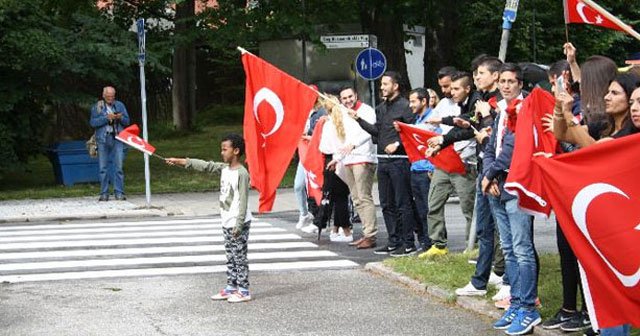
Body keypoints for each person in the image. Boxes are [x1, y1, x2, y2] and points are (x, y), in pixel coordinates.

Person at [552, 73, 639, 336]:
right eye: (633, 102)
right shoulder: (603, 125)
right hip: (608, 224)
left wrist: (569, 114)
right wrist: (560, 108)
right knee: (611, 287)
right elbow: (562, 134)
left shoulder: (630, 136)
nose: (607, 97)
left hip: (626, 226)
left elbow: (595, 153)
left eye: (615, 93)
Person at [484, 63, 541, 335]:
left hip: (516, 184)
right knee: (508, 249)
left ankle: (529, 307)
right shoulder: (500, 111)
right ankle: (516, 303)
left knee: (522, 248)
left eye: (511, 81)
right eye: (502, 81)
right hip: (496, 184)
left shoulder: (525, 108)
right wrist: (488, 174)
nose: (506, 85)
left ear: (520, 84)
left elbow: (513, 146)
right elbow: (491, 145)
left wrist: (492, 173)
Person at [165, 134, 253, 303]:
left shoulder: (242, 173)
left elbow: (243, 200)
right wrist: (179, 161)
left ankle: (244, 290)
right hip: (227, 219)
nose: (222, 153)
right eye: (221, 149)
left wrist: (239, 224)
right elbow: (205, 165)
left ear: (236, 151)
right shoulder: (224, 169)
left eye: (225, 149)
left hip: (238, 221)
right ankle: (231, 287)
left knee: (239, 256)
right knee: (230, 255)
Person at [354, 71, 418, 257]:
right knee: (386, 203)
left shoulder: (406, 107)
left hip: (400, 161)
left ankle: (408, 242)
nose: (382, 87)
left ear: (395, 86)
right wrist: (358, 120)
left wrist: (397, 143)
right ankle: (393, 241)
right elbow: (377, 132)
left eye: (385, 84)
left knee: (402, 203)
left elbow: (412, 132)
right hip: (383, 161)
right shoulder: (381, 108)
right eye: (381, 85)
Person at [422, 71, 479, 257]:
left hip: (464, 163)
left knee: (468, 207)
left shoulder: (475, 103)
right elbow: (428, 126)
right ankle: (438, 244)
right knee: (434, 202)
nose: (449, 92)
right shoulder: (444, 103)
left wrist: (443, 137)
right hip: (444, 160)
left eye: (454, 88)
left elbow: (466, 127)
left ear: (467, 88)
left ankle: (473, 246)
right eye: (447, 88)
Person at [337, 86, 378, 249]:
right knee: (356, 198)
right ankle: (365, 233)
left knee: (364, 196)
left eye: (350, 97)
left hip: (364, 158)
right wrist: (338, 157)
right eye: (344, 98)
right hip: (348, 160)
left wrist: (354, 145)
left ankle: (371, 235)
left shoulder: (366, 110)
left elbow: (370, 131)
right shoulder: (342, 112)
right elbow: (342, 136)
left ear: (356, 95)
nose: (348, 100)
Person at [89, 86, 130, 201]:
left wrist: (119, 118)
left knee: (119, 166)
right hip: (103, 139)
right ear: (103, 95)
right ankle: (104, 193)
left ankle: (119, 192)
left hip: (118, 138)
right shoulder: (97, 107)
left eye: (112, 96)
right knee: (103, 167)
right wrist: (106, 118)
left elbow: (127, 121)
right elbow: (93, 123)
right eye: (108, 96)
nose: (110, 99)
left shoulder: (120, 105)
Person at [295, 94, 326, 230]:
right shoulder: (301, 112)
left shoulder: (322, 112)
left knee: (317, 186)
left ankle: (320, 219)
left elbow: (323, 132)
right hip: (304, 152)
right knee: (298, 185)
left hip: (316, 153)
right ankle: (304, 213)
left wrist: (310, 135)